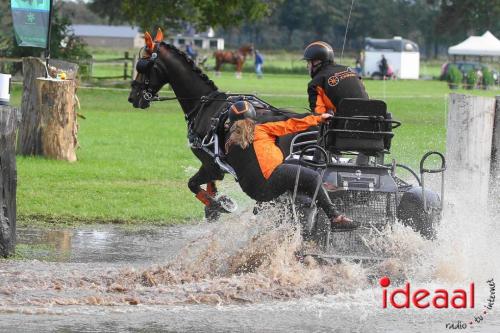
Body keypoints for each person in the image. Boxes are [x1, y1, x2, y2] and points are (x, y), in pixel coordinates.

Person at [225, 100, 359, 231]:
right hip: (272, 180)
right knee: (313, 178)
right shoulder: (260, 129)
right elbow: (291, 124)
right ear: (253, 116)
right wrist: (318, 118)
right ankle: (335, 217)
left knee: (293, 170)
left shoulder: (229, 145)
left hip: (255, 192)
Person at [302, 41, 368, 115]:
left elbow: (319, 116)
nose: (307, 67)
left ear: (317, 62)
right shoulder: (352, 71)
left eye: (308, 62)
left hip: (345, 124)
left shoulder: (315, 83)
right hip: (371, 121)